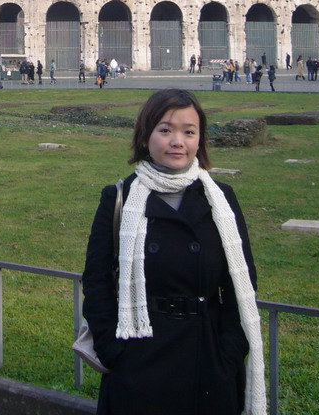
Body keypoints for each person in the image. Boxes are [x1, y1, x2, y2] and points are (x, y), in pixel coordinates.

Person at [80, 89, 264, 415]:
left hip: (207, 360)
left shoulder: (220, 198)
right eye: (165, 130)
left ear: (199, 139)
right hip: (138, 357)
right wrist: (112, 349)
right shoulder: (119, 198)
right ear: (146, 135)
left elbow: (242, 282)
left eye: (189, 132)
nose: (178, 141)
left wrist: (230, 351)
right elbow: (96, 281)